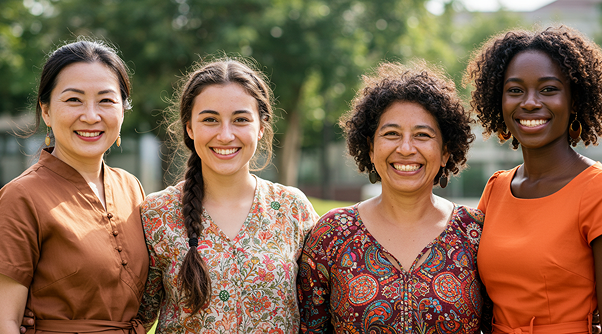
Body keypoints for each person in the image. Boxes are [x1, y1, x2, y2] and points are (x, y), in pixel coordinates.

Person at [297, 61, 491, 333]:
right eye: (391, 134)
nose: (406, 148)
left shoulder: (475, 233)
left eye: (422, 135)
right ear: (371, 148)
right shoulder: (332, 234)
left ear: (446, 152)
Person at [136, 58, 319, 333]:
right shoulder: (156, 213)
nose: (225, 134)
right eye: (210, 119)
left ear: (261, 127)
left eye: (240, 119)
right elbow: (136, 319)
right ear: (189, 127)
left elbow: (319, 314)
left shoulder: (292, 209)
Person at [0, 39, 148, 334]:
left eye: (106, 100)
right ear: (46, 111)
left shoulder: (131, 187)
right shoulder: (21, 197)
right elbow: (5, 320)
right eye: (73, 100)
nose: (91, 116)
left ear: (122, 110)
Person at [464, 25, 602, 333]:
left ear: (574, 100)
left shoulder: (597, 189)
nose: (529, 102)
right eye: (515, 90)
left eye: (548, 89)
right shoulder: (496, 188)